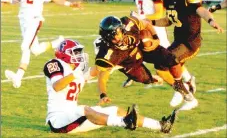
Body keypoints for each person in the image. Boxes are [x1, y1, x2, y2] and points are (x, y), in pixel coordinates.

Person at [43, 39, 177, 133]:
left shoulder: (78, 72)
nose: (79, 55)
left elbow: (97, 70)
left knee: (116, 110)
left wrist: (113, 60)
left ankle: (160, 125)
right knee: (84, 109)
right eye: (75, 52)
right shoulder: (55, 64)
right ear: (64, 53)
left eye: (79, 52)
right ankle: (124, 122)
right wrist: (76, 73)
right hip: (58, 121)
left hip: (74, 119)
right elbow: (57, 86)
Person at [145, 0, 224, 109]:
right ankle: (184, 91)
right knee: (160, 68)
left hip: (190, 42)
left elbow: (202, 11)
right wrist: (150, 22)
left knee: (166, 62)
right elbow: (168, 21)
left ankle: (187, 96)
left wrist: (211, 21)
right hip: (178, 41)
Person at [5, 0, 82, 89]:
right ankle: (57, 43)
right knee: (35, 50)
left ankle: (18, 76)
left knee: (25, 46)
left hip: (35, 18)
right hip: (23, 18)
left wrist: (71, 3)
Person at [95, 15, 196, 111]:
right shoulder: (107, 52)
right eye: (112, 37)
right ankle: (149, 78)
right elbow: (102, 75)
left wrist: (155, 38)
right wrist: (103, 94)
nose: (117, 39)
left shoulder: (129, 24)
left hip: (143, 49)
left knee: (172, 60)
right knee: (147, 79)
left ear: (122, 28)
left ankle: (179, 84)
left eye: (118, 33)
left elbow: (147, 24)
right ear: (106, 38)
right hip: (130, 63)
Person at [128, 0, 196, 98]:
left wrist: (141, 17)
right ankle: (133, 72)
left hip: (156, 26)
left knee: (169, 58)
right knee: (136, 48)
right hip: (144, 26)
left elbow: (159, 13)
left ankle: (187, 79)